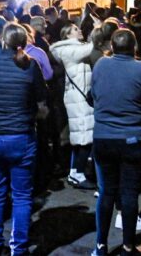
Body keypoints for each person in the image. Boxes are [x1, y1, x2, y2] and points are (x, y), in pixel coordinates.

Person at [0, 22, 48, 256]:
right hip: (20, 136)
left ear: (2, 40)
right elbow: (41, 103)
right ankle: (19, 248)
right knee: (21, 196)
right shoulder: (30, 65)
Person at [90, 29, 141, 256]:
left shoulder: (100, 65)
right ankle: (128, 246)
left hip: (103, 137)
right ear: (134, 47)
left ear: (112, 45)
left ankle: (101, 245)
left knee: (106, 191)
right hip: (133, 138)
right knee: (129, 194)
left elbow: (93, 95)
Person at [50, 23, 96, 189]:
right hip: (78, 99)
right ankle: (77, 173)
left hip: (80, 98)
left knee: (80, 136)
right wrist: (98, 29)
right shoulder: (68, 50)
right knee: (84, 137)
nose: (80, 30)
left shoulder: (73, 48)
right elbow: (91, 48)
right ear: (68, 35)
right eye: (75, 29)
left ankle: (75, 170)